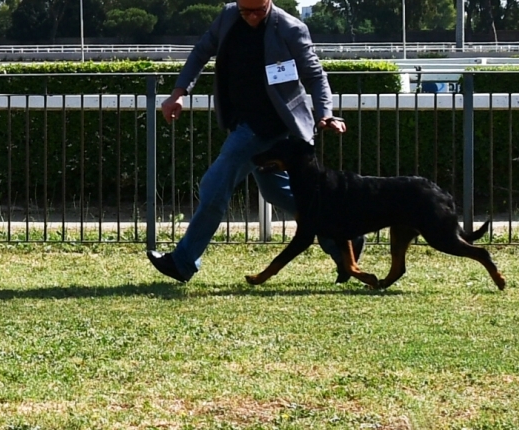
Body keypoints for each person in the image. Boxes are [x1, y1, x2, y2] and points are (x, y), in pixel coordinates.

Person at [146, 0, 365, 284]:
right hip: (243, 123)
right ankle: (343, 241)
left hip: (268, 129)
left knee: (214, 183)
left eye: (257, 11)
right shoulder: (227, 17)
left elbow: (315, 76)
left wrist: (326, 113)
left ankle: (183, 261)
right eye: (244, 10)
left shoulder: (290, 28)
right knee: (281, 194)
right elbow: (201, 53)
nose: (250, 17)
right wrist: (178, 93)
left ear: (269, 3)